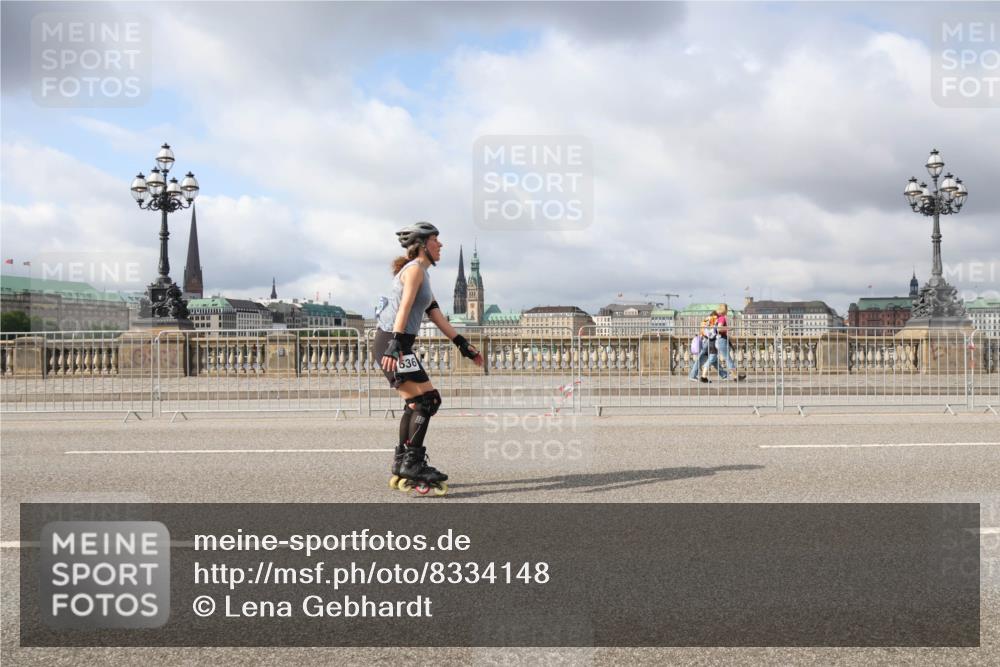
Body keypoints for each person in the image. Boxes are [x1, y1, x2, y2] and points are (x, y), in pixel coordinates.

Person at [375, 222, 484, 496]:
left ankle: (403, 460)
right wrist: (396, 344)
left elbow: (435, 314)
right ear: (423, 244)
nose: (441, 245)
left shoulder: (422, 273)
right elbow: (404, 308)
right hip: (393, 342)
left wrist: (462, 344)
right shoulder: (413, 272)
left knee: (417, 402)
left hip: (397, 343)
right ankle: (412, 463)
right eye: (437, 240)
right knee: (426, 401)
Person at [715, 303, 746, 382]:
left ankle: (729, 375)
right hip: (722, 340)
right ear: (724, 310)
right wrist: (729, 328)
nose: (728, 310)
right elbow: (719, 329)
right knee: (728, 359)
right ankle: (735, 376)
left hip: (719, 340)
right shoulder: (722, 318)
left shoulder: (718, 318)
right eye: (727, 309)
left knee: (715, 359)